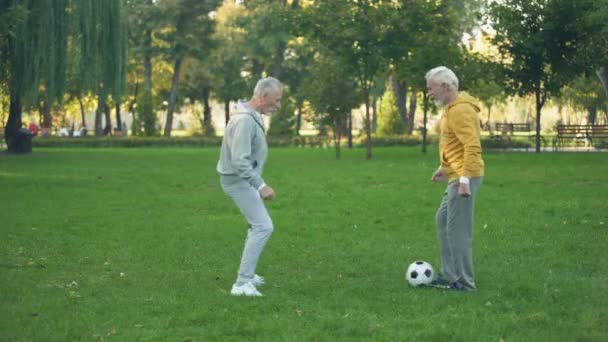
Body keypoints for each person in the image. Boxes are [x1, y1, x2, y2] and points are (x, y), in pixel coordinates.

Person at [217, 77, 283, 297]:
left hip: (242, 179)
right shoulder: (245, 120)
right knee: (263, 226)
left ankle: (248, 274)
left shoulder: (251, 115)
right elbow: (239, 161)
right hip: (238, 181)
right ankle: (242, 284)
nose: (278, 105)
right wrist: (261, 185)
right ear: (263, 97)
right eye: (276, 100)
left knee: (255, 226)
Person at [425, 66, 484, 291]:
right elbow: (454, 144)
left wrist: (464, 181)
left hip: (464, 177)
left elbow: (472, 146)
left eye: (431, 89)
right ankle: (450, 274)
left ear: (445, 87)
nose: (429, 93)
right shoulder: (451, 108)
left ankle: (464, 283)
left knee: (457, 230)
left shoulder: (460, 111)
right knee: (443, 222)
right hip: (456, 174)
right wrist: (444, 167)